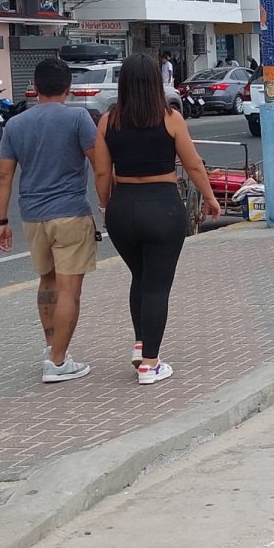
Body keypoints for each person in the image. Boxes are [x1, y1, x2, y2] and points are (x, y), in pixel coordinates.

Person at [93, 54, 219, 385]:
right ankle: (150, 363)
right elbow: (192, 165)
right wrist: (209, 197)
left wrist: (107, 205)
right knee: (157, 286)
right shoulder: (171, 118)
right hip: (162, 207)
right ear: (155, 83)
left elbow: (102, 170)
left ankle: (141, 344)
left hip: (123, 208)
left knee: (141, 277)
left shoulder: (108, 121)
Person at [0, 58, 99, 384]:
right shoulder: (79, 118)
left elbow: (3, 175)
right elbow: (100, 164)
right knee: (70, 291)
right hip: (70, 214)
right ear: (68, 88)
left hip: (32, 217)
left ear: (35, 88)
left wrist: (0, 221)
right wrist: (108, 200)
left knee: (48, 282)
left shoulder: (15, 125)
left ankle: (52, 345)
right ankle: (57, 362)